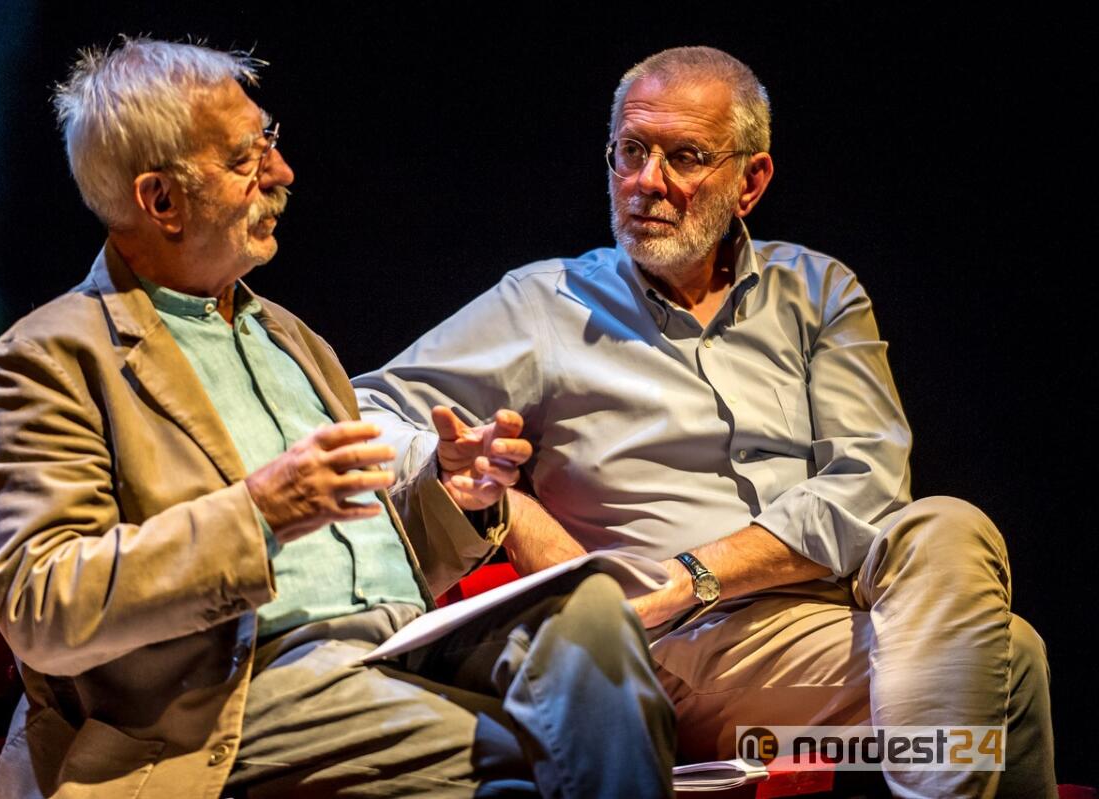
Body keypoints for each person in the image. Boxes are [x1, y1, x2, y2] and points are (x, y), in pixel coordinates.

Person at [0, 38, 675, 799]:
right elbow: (43, 606)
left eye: (270, 141)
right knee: (530, 764)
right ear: (160, 200)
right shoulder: (48, 362)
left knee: (593, 621)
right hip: (229, 698)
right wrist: (257, 512)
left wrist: (448, 495)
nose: (282, 173)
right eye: (244, 160)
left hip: (394, 649)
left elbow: (371, 560)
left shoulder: (292, 340)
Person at [353, 46, 1056, 798]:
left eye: (684, 156)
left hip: (832, 614)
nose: (645, 182)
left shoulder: (817, 291)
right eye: (630, 151)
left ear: (750, 182)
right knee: (1009, 661)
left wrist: (696, 576)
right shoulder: (541, 304)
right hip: (680, 653)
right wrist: (497, 500)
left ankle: (928, 766)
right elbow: (367, 412)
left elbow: (871, 483)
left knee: (950, 524)